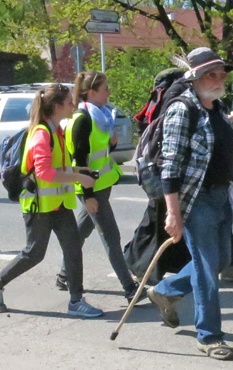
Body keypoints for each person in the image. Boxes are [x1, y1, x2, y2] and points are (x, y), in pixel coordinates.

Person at [146, 47, 233, 361]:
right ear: (196, 77)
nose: (218, 79)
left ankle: (165, 291)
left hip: (222, 195)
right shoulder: (182, 109)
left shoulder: (218, 108)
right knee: (206, 270)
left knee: (222, 258)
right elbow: (170, 165)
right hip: (196, 199)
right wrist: (173, 212)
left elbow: (227, 157)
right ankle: (210, 336)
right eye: (211, 74)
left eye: (221, 73)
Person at [0, 84, 103, 318]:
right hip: (38, 206)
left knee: (73, 248)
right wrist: (78, 177)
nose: (73, 106)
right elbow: (45, 173)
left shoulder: (56, 130)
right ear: (57, 107)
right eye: (69, 102)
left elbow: (55, 166)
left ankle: (76, 301)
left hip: (58, 204)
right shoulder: (41, 134)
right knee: (34, 254)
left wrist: (80, 169)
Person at [56, 71, 146, 303]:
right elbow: (79, 160)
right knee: (111, 236)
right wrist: (87, 196)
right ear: (91, 92)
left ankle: (64, 274)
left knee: (80, 233)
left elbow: (98, 153)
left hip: (102, 184)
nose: (109, 93)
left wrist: (111, 143)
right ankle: (129, 288)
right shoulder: (83, 119)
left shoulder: (100, 116)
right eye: (105, 89)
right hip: (91, 188)